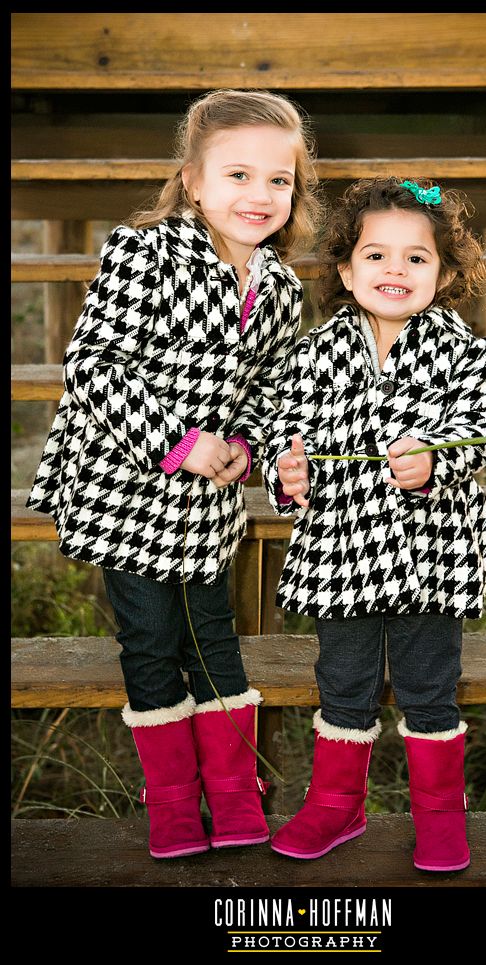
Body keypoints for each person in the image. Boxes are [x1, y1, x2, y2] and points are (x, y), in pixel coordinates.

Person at [27, 89, 322, 860]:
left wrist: (247, 445)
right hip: (126, 486)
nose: (259, 196)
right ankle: (170, 802)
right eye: (237, 175)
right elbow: (95, 365)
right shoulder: (145, 252)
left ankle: (231, 793)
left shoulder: (281, 287)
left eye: (278, 181)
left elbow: (269, 388)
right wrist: (179, 443)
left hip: (206, 500)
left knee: (213, 639)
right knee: (153, 642)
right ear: (192, 181)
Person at [262, 176, 486, 872]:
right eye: (376, 255)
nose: (394, 269)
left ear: (447, 273)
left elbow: (478, 433)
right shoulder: (310, 354)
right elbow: (288, 432)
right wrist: (290, 468)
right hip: (341, 552)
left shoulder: (466, 354)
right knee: (344, 681)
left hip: (432, 554)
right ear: (345, 268)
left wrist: (436, 460)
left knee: (429, 685)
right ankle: (337, 804)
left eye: (416, 257)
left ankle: (438, 815)